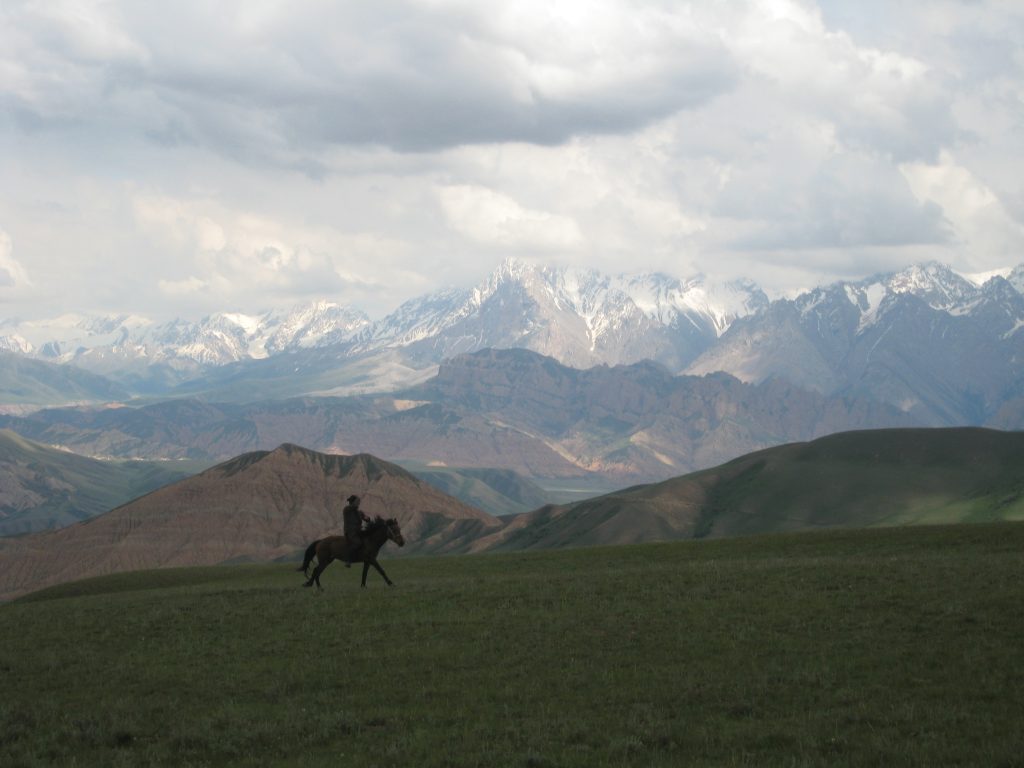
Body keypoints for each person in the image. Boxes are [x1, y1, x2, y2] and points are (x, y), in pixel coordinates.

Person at [342, 494, 370, 567]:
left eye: (358, 501)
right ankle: (348, 560)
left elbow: (366, 518)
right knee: (357, 543)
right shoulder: (347, 509)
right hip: (350, 532)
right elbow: (353, 508)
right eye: (357, 501)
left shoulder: (359, 512)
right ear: (352, 502)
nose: (359, 503)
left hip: (358, 531)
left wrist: (367, 519)